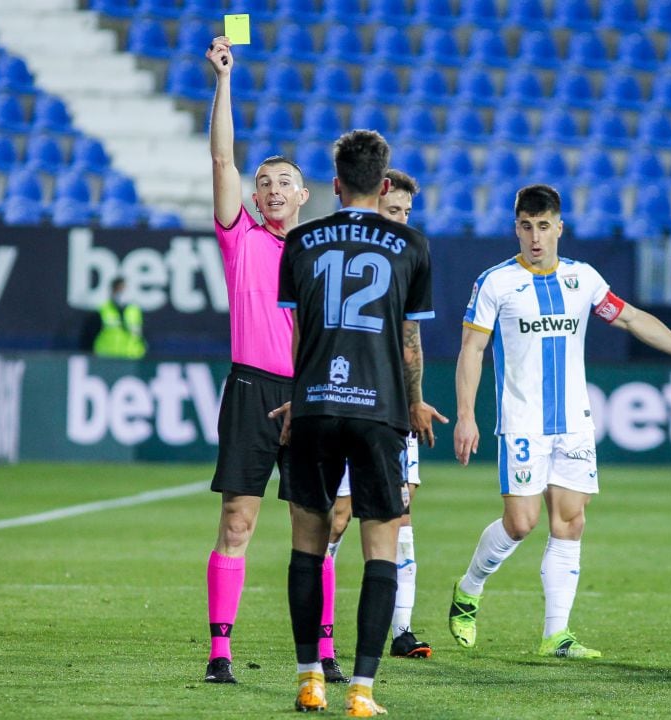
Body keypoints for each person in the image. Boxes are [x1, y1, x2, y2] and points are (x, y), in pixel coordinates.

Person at [449, 184, 671, 659]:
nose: (535, 237)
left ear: (560, 227)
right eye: (525, 227)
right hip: (522, 422)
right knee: (520, 524)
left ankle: (555, 635)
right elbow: (472, 349)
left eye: (543, 226)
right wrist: (465, 415)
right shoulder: (495, 282)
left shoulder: (583, 279)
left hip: (574, 423)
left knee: (571, 520)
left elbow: (632, 320)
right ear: (515, 228)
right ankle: (468, 589)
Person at [277, 129, 446, 716]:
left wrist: (299, 399)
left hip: (317, 403)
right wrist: (413, 403)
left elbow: (298, 333)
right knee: (382, 546)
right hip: (378, 411)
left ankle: (308, 679)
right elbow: (409, 344)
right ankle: (362, 690)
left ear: (335, 183)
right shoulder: (411, 244)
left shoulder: (300, 241)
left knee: (308, 543)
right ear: (383, 182)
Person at [202, 35, 311, 685]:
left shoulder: (323, 254)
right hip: (250, 390)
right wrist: (224, 81)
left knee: (314, 527)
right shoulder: (240, 239)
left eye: (282, 183)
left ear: (304, 196)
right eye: (262, 182)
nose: (269, 190)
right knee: (238, 521)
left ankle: (319, 650)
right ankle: (220, 653)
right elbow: (222, 160)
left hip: (310, 397)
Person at [320, 169, 435, 666]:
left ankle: (402, 629)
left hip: (391, 405)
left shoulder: (410, 256)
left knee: (400, 512)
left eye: (408, 214)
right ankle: (320, 623)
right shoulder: (340, 251)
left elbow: (412, 339)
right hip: (346, 397)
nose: (402, 221)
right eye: (394, 212)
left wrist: (416, 399)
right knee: (339, 516)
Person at [92, 277, 146, 359]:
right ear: (112, 291)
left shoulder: (135, 311)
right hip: (107, 358)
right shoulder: (103, 310)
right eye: (118, 289)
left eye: (123, 289)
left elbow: (141, 335)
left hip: (132, 358)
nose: (121, 293)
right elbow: (92, 336)